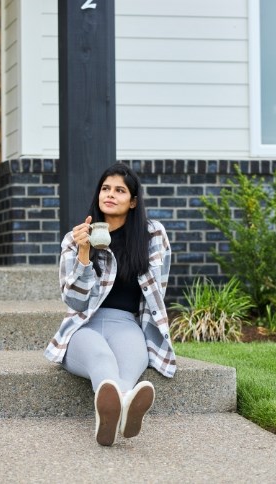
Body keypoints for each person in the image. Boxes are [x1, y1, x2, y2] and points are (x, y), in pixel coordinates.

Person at [44, 162, 176, 446]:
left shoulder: (152, 236)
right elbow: (75, 301)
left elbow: (157, 291)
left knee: (128, 366)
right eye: (106, 188)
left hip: (127, 324)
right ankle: (117, 409)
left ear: (133, 201)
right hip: (83, 326)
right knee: (102, 359)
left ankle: (118, 411)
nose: (110, 195)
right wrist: (84, 253)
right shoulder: (76, 238)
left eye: (120, 190)